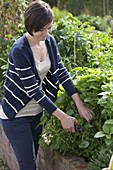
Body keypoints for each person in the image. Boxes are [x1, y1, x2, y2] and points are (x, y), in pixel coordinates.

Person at [0, 0, 93, 170]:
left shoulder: (49, 41)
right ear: (30, 25)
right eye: (40, 29)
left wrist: (79, 105)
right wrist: (63, 117)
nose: (45, 33)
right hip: (16, 115)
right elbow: (34, 90)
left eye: (48, 27)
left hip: (37, 113)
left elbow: (62, 72)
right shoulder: (19, 50)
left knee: (33, 157)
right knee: (28, 166)